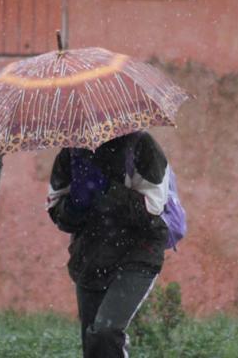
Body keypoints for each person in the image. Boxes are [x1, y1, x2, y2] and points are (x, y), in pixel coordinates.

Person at [46, 130, 170, 358]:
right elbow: (58, 214)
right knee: (93, 346)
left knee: (105, 332)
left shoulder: (141, 145)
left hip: (138, 254)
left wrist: (106, 189)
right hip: (90, 257)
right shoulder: (71, 154)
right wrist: (75, 205)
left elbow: (152, 209)